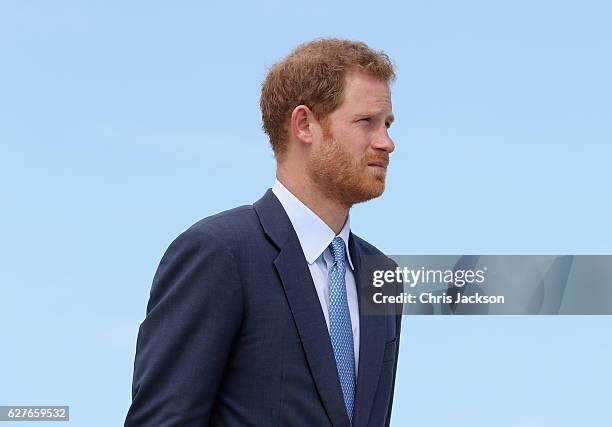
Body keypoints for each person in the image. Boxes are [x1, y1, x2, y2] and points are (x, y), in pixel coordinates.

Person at [125, 38, 402, 427]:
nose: (386, 142)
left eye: (387, 124)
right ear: (304, 124)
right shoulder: (219, 252)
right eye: (366, 122)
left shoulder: (382, 275)